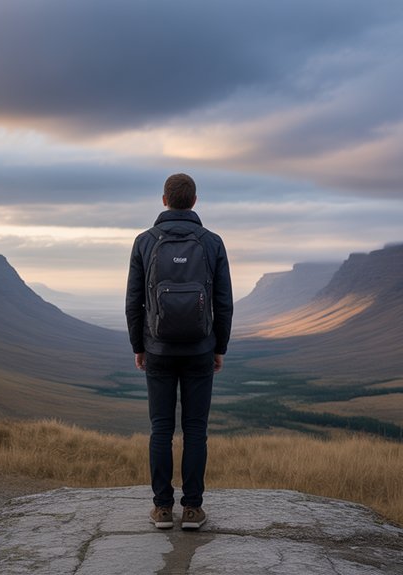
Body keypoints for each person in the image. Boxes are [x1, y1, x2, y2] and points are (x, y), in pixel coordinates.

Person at [125, 173, 233, 531]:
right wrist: (219, 347)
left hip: (157, 349)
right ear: (195, 201)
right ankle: (191, 510)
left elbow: (134, 302)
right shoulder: (212, 242)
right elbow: (223, 302)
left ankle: (161, 509)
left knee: (160, 429)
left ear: (164, 199)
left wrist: (139, 346)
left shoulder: (144, 242)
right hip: (200, 349)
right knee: (195, 430)